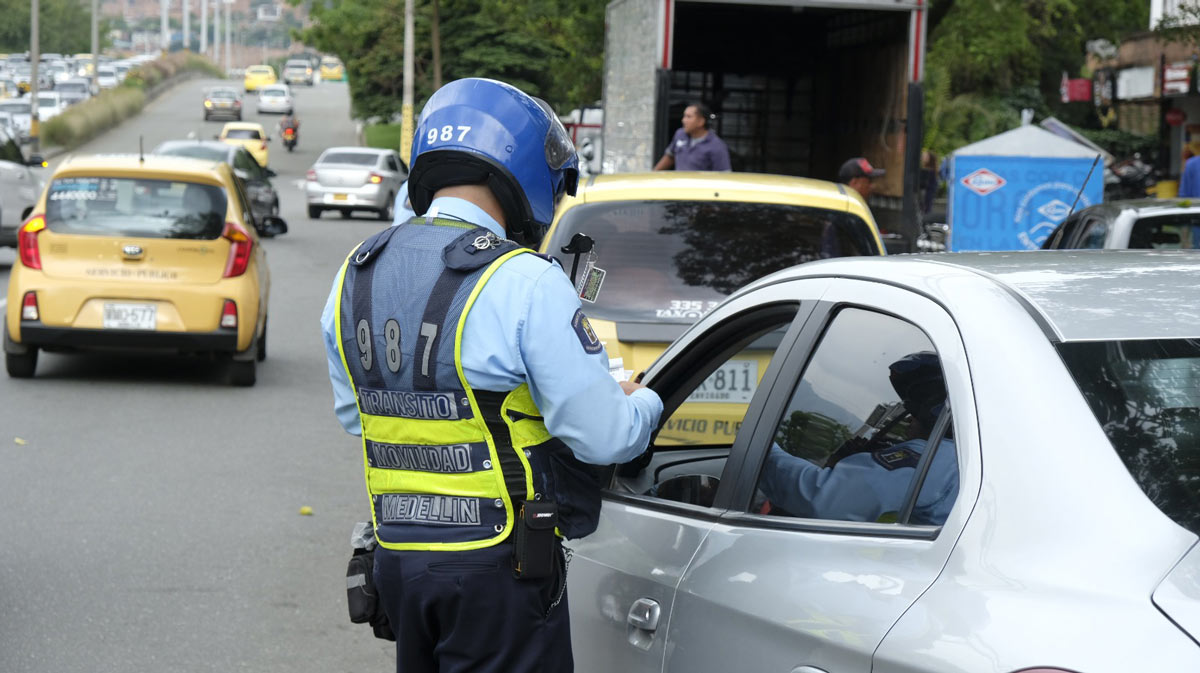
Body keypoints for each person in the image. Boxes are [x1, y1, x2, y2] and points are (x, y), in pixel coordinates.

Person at [320, 77, 663, 673]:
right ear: (525, 167)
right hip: (499, 570)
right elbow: (606, 437)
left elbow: (359, 416)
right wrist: (643, 400)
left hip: (398, 562)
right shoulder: (524, 280)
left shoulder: (359, 270)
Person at [757, 352, 958, 525]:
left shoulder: (929, 460)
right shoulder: (962, 461)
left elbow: (820, 499)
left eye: (913, 411)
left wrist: (761, 451)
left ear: (933, 413)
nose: (908, 420)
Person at [653, 102, 732, 172]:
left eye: (688, 117)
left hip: (700, 188)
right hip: (679, 187)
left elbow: (724, 175)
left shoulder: (717, 146)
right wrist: (654, 174)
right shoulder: (680, 134)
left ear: (701, 121)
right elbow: (670, 156)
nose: (683, 120)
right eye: (684, 116)